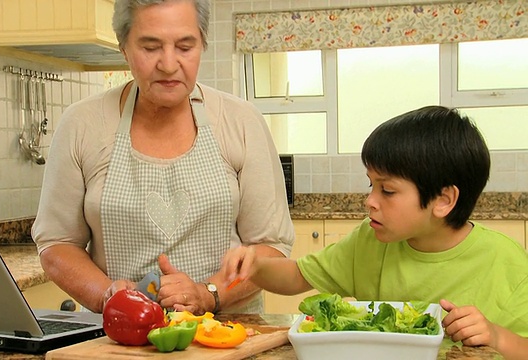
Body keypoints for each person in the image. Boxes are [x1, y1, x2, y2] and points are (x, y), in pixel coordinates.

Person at [31, 0, 294, 315]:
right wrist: (107, 297)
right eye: (151, 47)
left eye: (185, 47)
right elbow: (57, 244)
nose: (169, 64)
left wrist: (208, 294)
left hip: (229, 336)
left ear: (202, 45)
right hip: (119, 337)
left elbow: (271, 247)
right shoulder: (82, 124)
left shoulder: (240, 121)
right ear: (124, 48)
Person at [221, 106, 528, 359]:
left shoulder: (506, 261)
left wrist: (496, 335)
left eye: (388, 190)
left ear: (444, 200)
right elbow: (297, 277)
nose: (370, 201)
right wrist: (256, 265)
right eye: (372, 185)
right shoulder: (369, 240)